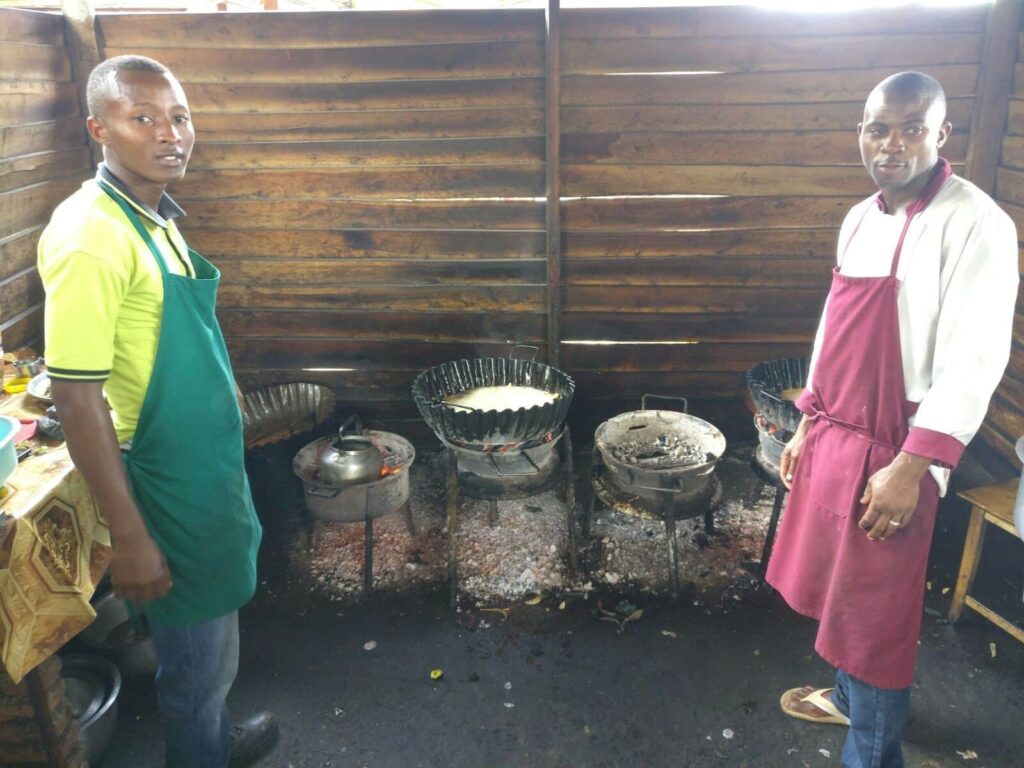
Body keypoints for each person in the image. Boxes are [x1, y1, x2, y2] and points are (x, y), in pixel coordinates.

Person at [765, 71, 1018, 768]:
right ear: (862, 135)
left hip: (901, 448)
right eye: (879, 128)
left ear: (942, 135)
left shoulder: (978, 224)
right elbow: (833, 331)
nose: (893, 143)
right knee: (838, 593)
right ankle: (848, 700)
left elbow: (976, 357)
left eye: (912, 127)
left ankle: (872, 754)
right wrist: (808, 423)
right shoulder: (858, 218)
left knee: (875, 618)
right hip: (839, 430)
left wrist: (913, 466)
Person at [38, 55, 278, 768]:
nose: (170, 134)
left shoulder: (151, 214)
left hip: (204, 463)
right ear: (98, 129)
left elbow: (167, 332)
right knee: (197, 659)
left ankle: (211, 736)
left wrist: (224, 385)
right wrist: (132, 537)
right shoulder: (90, 235)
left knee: (212, 646)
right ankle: (201, 751)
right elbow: (76, 399)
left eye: (179, 116)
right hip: (168, 479)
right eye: (142, 118)